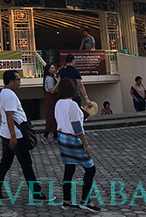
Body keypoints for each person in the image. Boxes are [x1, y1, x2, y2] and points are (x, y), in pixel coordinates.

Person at [0, 70, 52, 203]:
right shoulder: (10, 95)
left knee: (5, 162)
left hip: (7, 133)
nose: (20, 82)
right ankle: (36, 193)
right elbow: (9, 116)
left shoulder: (3, 93)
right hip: (16, 135)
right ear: (11, 81)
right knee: (26, 164)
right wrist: (13, 136)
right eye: (18, 79)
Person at [55, 77, 100, 212]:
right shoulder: (72, 105)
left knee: (69, 169)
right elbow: (77, 127)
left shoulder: (58, 103)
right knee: (90, 169)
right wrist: (85, 142)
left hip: (62, 138)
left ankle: (67, 201)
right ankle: (85, 201)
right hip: (74, 139)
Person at [41, 63, 61, 144]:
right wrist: (58, 83)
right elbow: (52, 90)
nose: (54, 69)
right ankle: (45, 136)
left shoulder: (52, 77)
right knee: (51, 117)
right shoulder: (49, 79)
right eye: (52, 68)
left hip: (53, 98)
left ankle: (55, 135)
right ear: (48, 70)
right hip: (51, 98)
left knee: (54, 116)